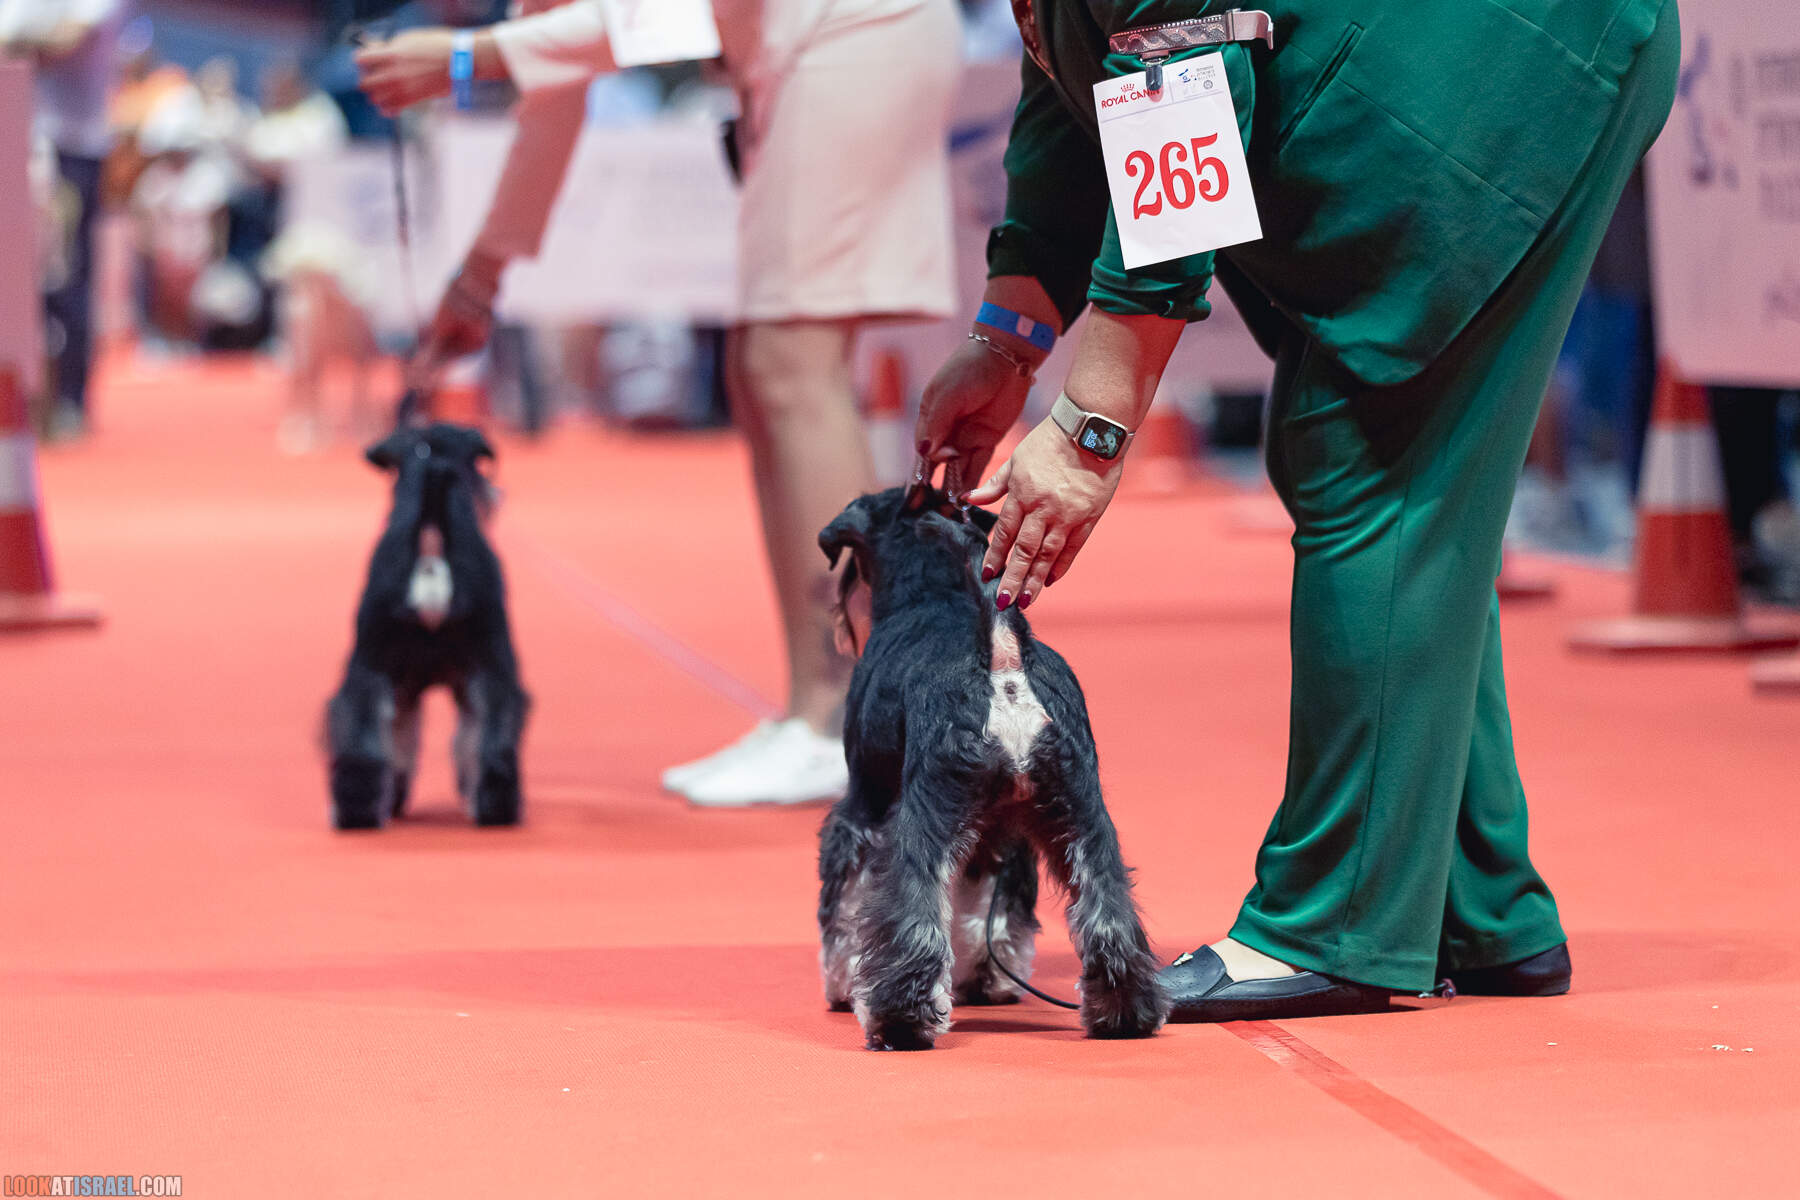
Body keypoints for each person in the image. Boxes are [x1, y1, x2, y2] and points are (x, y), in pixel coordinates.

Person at [917, 0, 1680, 1020]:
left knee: (1365, 454)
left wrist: (1092, 425)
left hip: (1504, 68)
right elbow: (1070, 75)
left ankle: (1336, 925)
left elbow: (1178, 88)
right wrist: (1008, 342)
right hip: (1440, 62)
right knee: (1404, 477)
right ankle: (1480, 906)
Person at [355, 0, 959, 806]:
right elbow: (556, 84)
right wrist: (480, 276)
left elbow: (664, 16)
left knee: (793, 363)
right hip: (806, 54)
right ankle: (815, 710)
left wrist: (468, 59)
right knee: (762, 368)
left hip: (852, 35)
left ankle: (854, 718)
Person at [1, 0, 126, 441]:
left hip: (73, 149)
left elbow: (65, 41)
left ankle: (68, 399)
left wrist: (20, 42)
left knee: (64, 279)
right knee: (14, 281)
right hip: (14, 135)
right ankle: (24, 400)